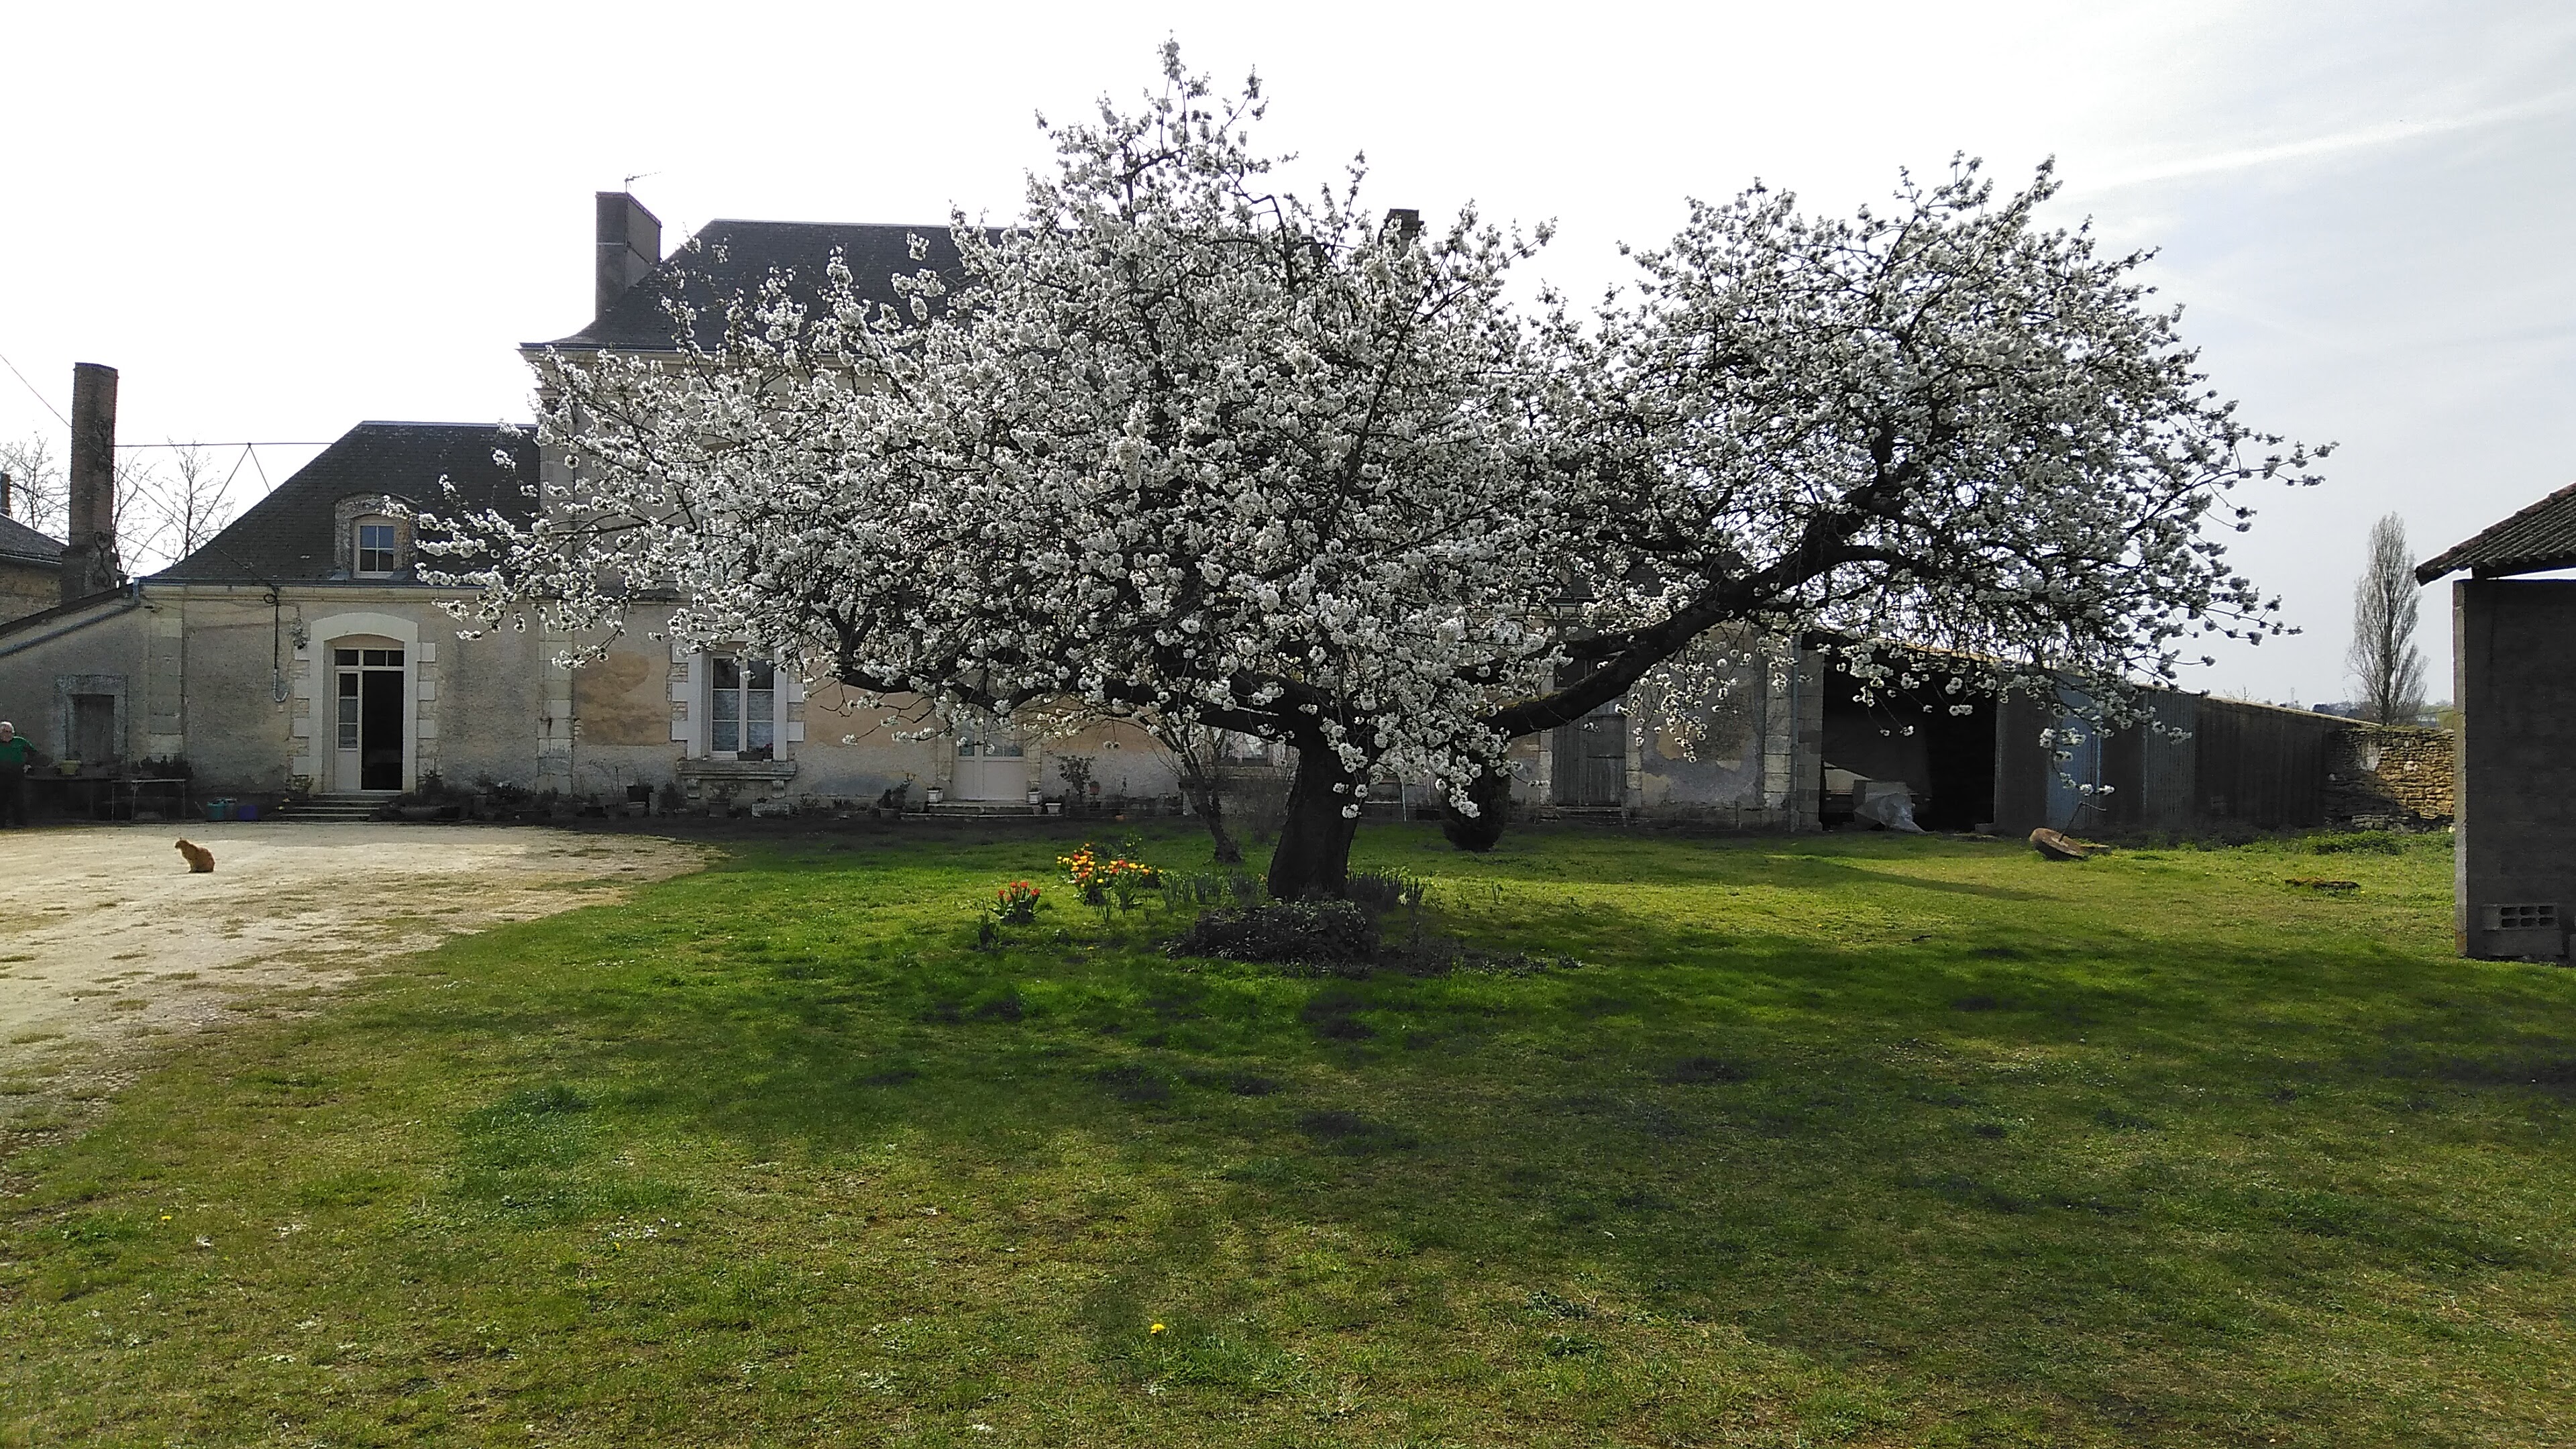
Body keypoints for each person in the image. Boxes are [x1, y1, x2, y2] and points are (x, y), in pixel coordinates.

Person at [0, 721, 31, 828]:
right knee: (1, 801)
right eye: (5, 732)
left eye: (10, 732)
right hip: (1, 776)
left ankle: (20, 824)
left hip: (17, 776)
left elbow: (35, 754)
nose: (8, 735)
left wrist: (29, 765)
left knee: (19, 800)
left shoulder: (20, 742)